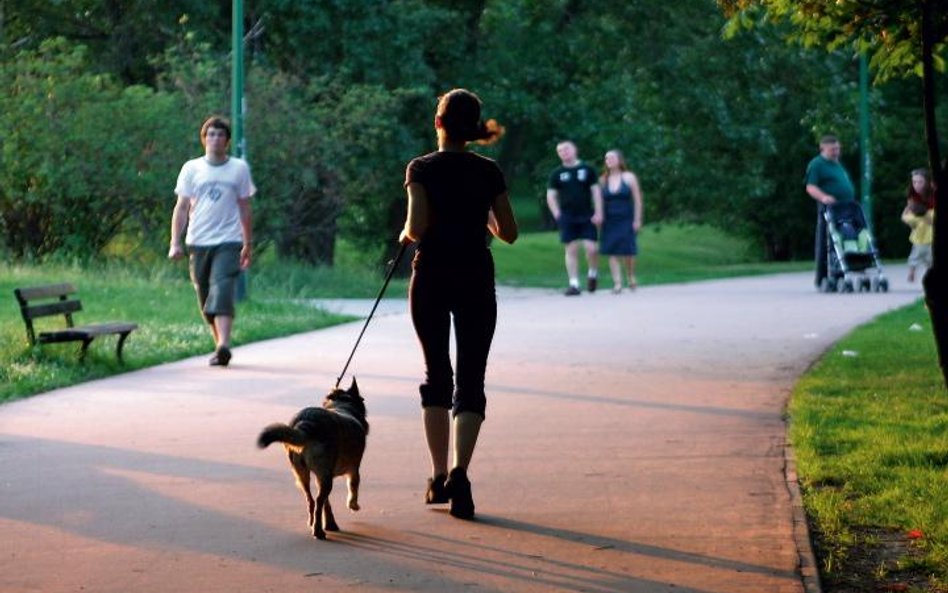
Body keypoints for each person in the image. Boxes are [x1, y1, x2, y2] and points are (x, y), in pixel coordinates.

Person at [399, 89, 518, 520]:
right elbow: (509, 232)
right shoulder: (488, 171)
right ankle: (460, 472)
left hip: (431, 277)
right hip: (475, 279)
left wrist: (405, 235)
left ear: (438, 123)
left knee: (437, 374)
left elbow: (416, 227)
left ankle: (436, 477)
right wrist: (481, 213)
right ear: (471, 129)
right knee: (471, 378)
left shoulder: (421, 168)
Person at [168, 116, 256, 367]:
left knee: (223, 288)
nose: (215, 138)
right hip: (198, 240)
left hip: (229, 240)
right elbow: (182, 207)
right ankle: (221, 346)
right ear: (204, 139)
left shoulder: (239, 169)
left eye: (220, 135)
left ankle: (223, 344)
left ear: (227, 141)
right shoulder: (191, 168)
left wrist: (247, 243)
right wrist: (175, 242)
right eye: (211, 134)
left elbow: (245, 208)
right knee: (206, 298)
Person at [547, 140, 604, 295]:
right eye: (560, 151)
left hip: (587, 215)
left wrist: (599, 212)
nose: (563, 152)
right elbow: (551, 195)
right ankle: (574, 284)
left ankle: (593, 273)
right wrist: (557, 213)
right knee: (571, 249)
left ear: (574, 149)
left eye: (566, 149)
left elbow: (596, 192)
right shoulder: (557, 174)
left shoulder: (587, 169)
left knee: (591, 248)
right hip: (567, 216)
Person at [804, 134, 856, 290]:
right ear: (823, 148)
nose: (836, 151)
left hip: (845, 207)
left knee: (843, 240)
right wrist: (824, 197)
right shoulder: (817, 164)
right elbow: (810, 186)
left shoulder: (837, 164)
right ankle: (823, 278)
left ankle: (840, 273)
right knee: (826, 243)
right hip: (829, 208)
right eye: (833, 149)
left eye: (838, 148)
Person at [599, 149, 644, 293]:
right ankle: (617, 283)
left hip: (626, 218)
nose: (609, 161)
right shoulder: (603, 180)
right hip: (609, 219)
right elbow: (599, 202)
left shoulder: (629, 177)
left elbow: (637, 201)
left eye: (612, 158)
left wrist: (637, 220)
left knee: (628, 250)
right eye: (607, 159)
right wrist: (599, 216)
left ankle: (630, 276)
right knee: (612, 250)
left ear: (619, 160)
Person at [901, 168, 936, 283]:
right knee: (914, 256)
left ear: (927, 182)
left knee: (930, 260)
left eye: (920, 182)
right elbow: (906, 217)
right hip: (919, 235)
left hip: (931, 236)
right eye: (914, 182)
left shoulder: (933, 195)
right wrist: (915, 219)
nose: (916, 185)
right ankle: (912, 272)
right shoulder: (912, 198)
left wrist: (924, 215)